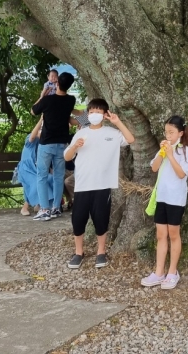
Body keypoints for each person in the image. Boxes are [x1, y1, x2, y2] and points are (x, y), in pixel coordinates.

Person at [63, 98, 135, 268]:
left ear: (105, 114)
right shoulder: (81, 133)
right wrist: (75, 147)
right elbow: (66, 156)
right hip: (82, 185)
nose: (95, 115)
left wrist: (118, 122)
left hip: (103, 185)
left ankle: (101, 252)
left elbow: (130, 139)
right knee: (78, 220)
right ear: (88, 114)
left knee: (101, 220)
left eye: (98, 112)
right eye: (92, 111)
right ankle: (78, 252)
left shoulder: (112, 133)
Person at [141, 115, 188, 290]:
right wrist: (162, 153)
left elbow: (181, 174)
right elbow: (154, 167)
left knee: (174, 235)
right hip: (161, 198)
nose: (169, 135)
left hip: (175, 199)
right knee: (160, 235)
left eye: (172, 132)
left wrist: (171, 155)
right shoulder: (164, 148)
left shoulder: (184, 151)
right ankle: (159, 272)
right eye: (166, 132)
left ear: (181, 133)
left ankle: (172, 272)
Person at [31, 70, 77, 221]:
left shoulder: (47, 100)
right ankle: (56, 208)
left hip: (46, 143)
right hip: (62, 144)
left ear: (57, 83)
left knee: (42, 176)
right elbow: (70, 117)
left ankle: (45, 209)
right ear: (69, 86)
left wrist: (42, 96)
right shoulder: (71, 100)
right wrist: (85, 119)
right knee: (58, 176)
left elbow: (33, 111)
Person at [17, 118, 53, 215]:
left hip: (36, 168)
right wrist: (41, 119)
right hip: (25, 169)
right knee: (35, 182)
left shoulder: (43, 142)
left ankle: (41, 205)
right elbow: (32, 137)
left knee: (50, 178)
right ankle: (25, 207)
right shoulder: (30, 138)